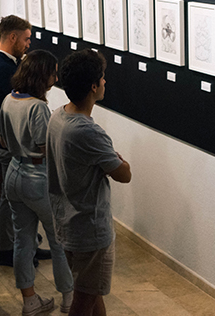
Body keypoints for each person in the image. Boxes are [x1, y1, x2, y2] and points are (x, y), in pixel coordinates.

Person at [46, 49, 132, 316]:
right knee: (84, 301)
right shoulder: (88, 132)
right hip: (89, 229)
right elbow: (124, 174)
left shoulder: (57, 116)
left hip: (67, 221)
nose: (105, 82)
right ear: (93, 86)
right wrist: (118, 161)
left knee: (91, 292)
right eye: (102, 77)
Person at [0, 50, 73, 314]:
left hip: (14, 172)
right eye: (53, 73)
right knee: (58, 240)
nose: (55, 78)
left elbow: (4, 140)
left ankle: (29, 300)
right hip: (38, 176)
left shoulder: (9, 99)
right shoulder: (38, 107)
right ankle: (68, 298)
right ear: (42, 75)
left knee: (23, 240)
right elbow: (45, 147)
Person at [0, 15, 51, 266]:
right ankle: (9, 248)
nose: (28, 44)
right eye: (26, 38)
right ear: (12, 37)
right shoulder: (3, 67)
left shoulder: (2, 63)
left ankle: (23, 246)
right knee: (9, 202)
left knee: (10, 200)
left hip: (11, 143)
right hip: (15, 147)